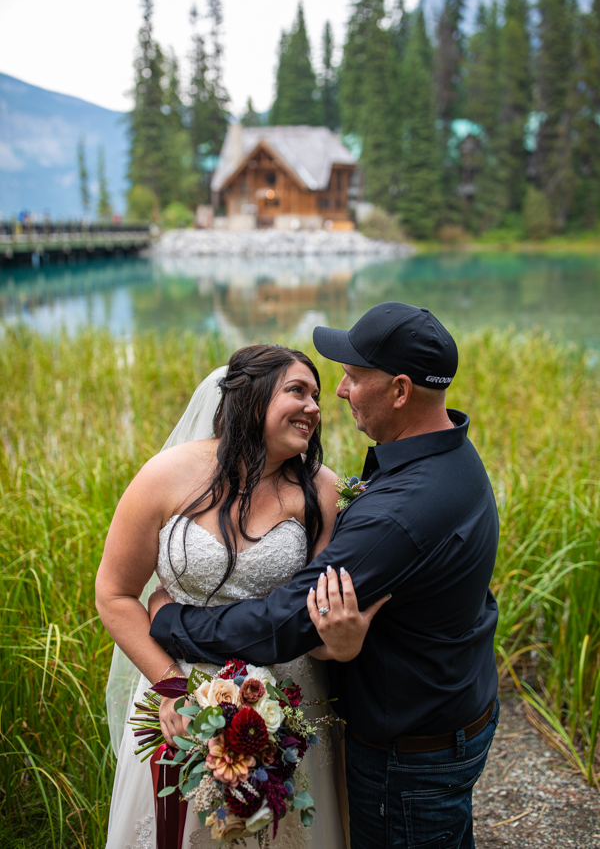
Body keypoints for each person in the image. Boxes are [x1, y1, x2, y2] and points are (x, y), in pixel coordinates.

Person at [149, 302, 500, 849]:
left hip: (410, 755)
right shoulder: (450, 454)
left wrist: (173, 623)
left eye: (353, 378)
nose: (337, 393)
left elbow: (288, 618)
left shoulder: (402, 510)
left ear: (402, 390)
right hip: (451, 712)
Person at [96, 344, 377, 849]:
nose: (315, 406)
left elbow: (319, 618)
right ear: (250, 398)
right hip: (180, 692)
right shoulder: (164, 477)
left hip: (291, 700)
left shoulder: (323, 491)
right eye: (298, 391)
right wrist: (170, 686)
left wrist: (341, 641)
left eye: (316, 395)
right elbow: (114, 595)